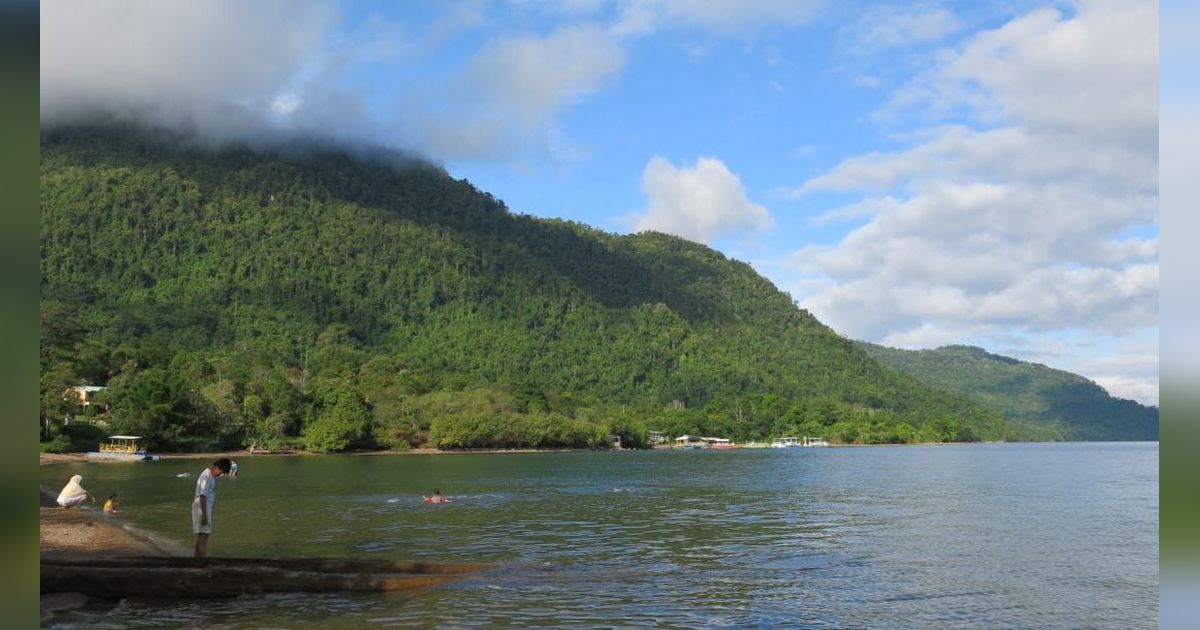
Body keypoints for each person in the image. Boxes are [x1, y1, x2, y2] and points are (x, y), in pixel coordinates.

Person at [193, 458, 233, 558]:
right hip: (202, 508)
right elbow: (202, 496)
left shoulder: (210, 476)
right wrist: (204, 515)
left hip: (203, 508)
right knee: (204, 536)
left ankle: (196, 559)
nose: (221, 475)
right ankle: (202, 561)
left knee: (202, 536)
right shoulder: (207, 476)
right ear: (216, 467)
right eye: (221, 472)